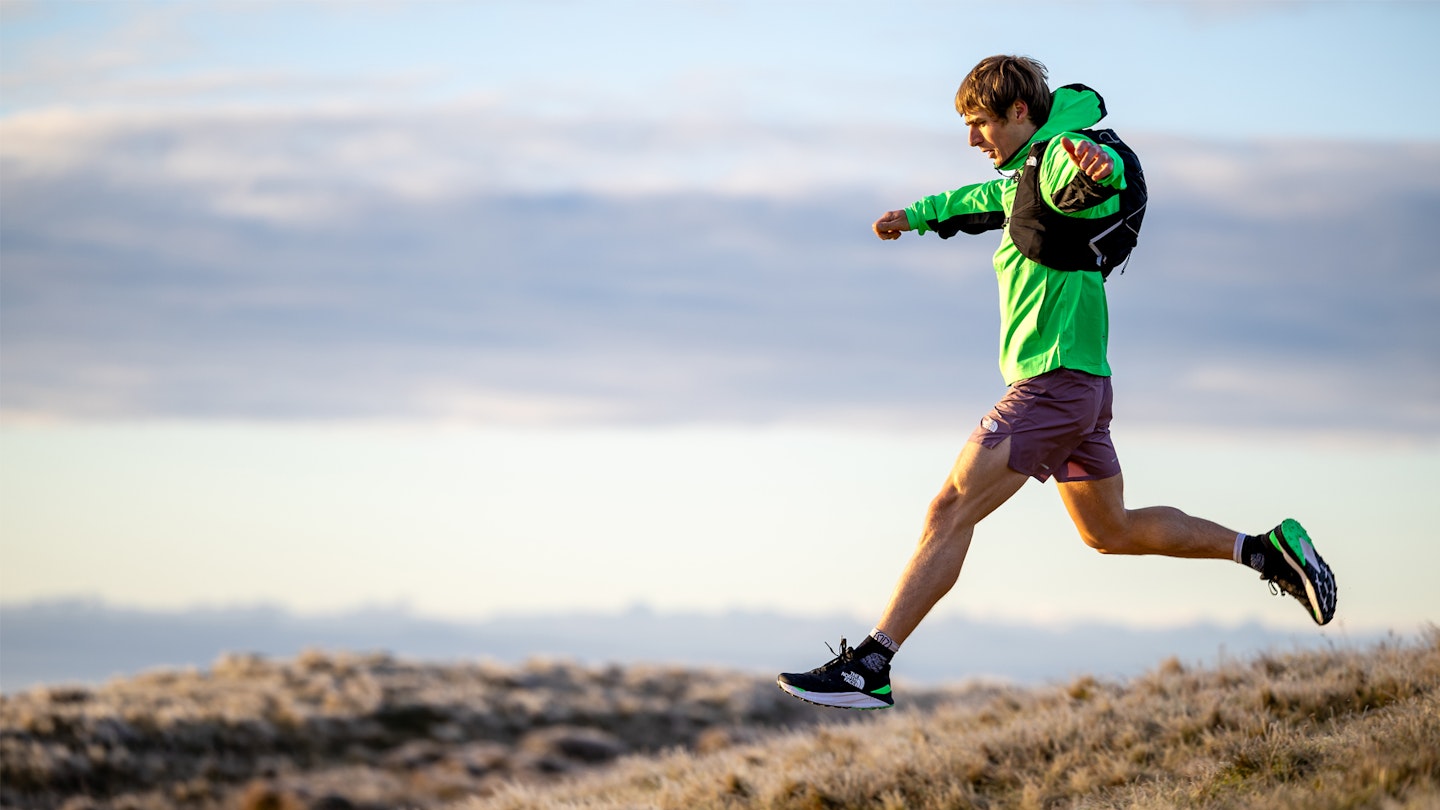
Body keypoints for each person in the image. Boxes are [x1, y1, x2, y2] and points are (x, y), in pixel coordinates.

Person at [776, 55, 1338, 710]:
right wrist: (916, 215)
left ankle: (870, 664)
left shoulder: (1066, 160)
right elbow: (977, 199)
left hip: (1051, 385)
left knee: (949, 509)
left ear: (1020, 113)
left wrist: (1098, 167)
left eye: (980, 123)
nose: (971, 139)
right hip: (1082, 386)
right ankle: (1268, 551)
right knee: (1111, 532)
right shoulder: (1023, 180)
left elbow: (1094, 171)